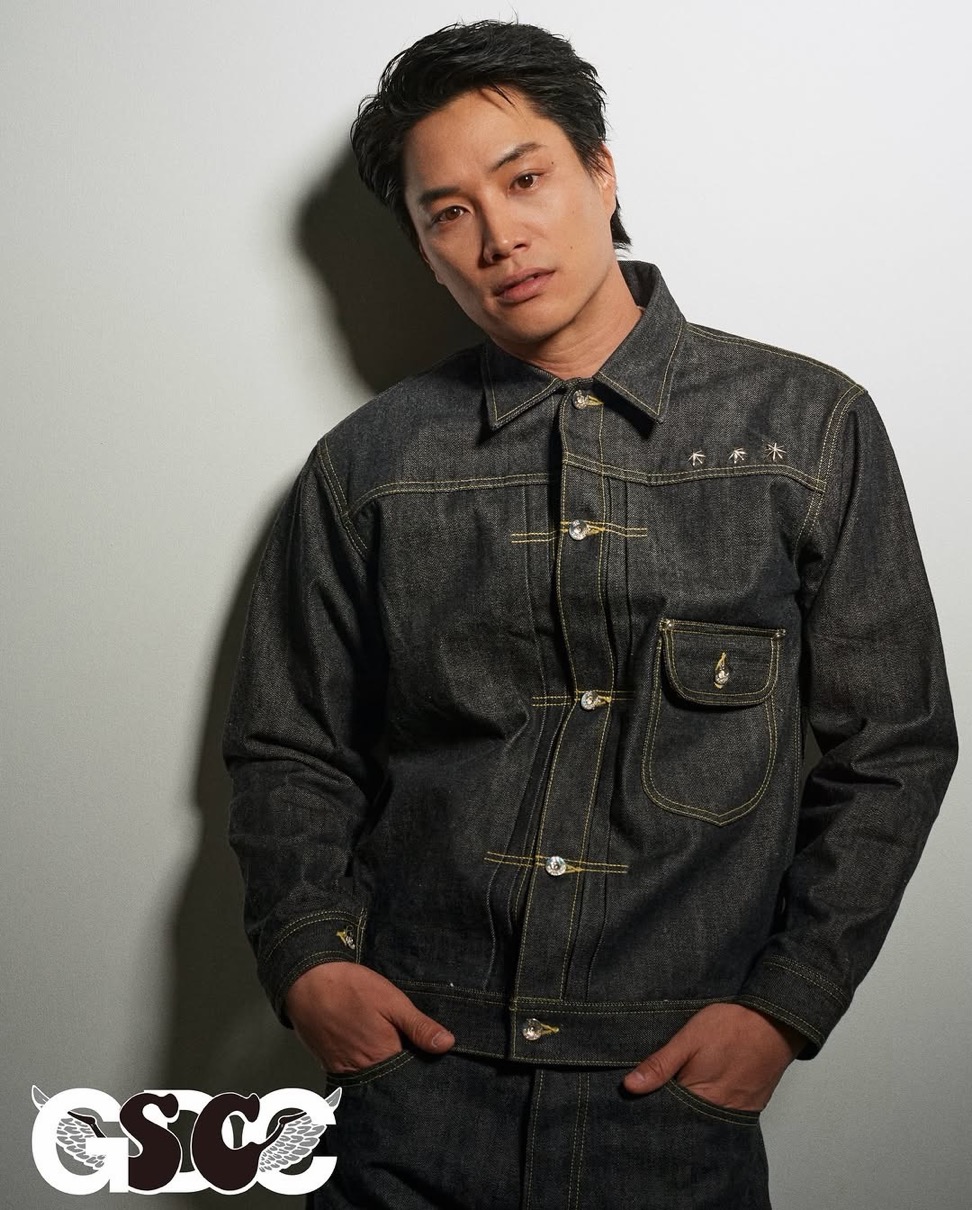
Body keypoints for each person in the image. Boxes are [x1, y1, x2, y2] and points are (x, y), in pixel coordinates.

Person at [223, 19, 958, 1208]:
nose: (498, 236)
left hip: (667, 1100)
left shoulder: (806, 429)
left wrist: (786, 1007)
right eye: (447, 212)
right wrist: (309, 958)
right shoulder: (369, 466)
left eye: (524, 180)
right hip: (413, 1084)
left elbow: (895, 746)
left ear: (601, 174)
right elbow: (288, 742)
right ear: (424, 248)